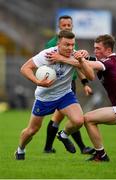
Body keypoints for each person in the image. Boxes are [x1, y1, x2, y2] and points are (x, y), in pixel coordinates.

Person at [49, 34, 116, 163]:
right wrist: (81, 55)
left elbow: (89, 65)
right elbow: (93, 60)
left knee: (88, 119)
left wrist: (61, 58)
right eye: (94, 48)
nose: (95, 50)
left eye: (98, 48)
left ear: (108, 50)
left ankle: (101, 155)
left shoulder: (107, 63)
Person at [15, 30, 95, 160]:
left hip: (65, 95)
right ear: (58, 43)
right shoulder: (47, 54)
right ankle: (20, 149)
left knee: (79, 121)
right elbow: (25, 68)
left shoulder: (76, 55)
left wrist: (78, 60)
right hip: (44, 98)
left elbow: (91, 76)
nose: (70, 48)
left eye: (72, 44)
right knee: (32, 130)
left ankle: (63, 135)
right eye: (66, 44)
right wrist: (38, 82)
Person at [43, 15, 94, 154]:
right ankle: (82, 147)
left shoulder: (72, 43)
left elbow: (77, 66)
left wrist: (85, 83)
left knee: (60, 117)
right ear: (59, 27)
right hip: (57, 85)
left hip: (70, 83)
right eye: (63, 25)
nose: (66, 27)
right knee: (70, 117)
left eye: (68, 25)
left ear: (72, 26)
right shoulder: (52, 44)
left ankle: (48, 148)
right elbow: (53, 64)